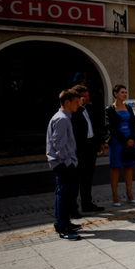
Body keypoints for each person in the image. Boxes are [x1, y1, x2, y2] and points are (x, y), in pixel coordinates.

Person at [47, 89, 83, 240]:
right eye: (76, 102)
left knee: (63, 194)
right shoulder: (62, 119)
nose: (78, 104)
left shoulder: (64, 117)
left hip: (62, 162)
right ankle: (63, 227)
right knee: (64, 195)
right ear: (67, 102)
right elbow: (59, 145)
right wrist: (68, 162)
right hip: (62, 163)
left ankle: (63, 222)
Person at [70, 85, 105, 214]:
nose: (88, 98)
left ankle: (87, 203)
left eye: (87, 96)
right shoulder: (73, 112)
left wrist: (100, 142)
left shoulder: (90, 108)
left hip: (91, 145)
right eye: (84, 96)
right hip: (79, 149)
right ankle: (73, 207)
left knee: (88, 176)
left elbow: (96, 125)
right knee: (75, 179)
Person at [105, 84, 135, 207]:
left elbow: (134, 124)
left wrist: (132, 139)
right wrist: (125, 141)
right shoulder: (109, 109)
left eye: (125, 92)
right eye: (122, 92)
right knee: (116, 167)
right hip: (117, 141)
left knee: (129, 166)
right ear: (115, 94)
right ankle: (115, 195)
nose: (125, 94)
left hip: (130, 140)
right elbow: (111, 128)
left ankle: (129, 193)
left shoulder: (128, 108)